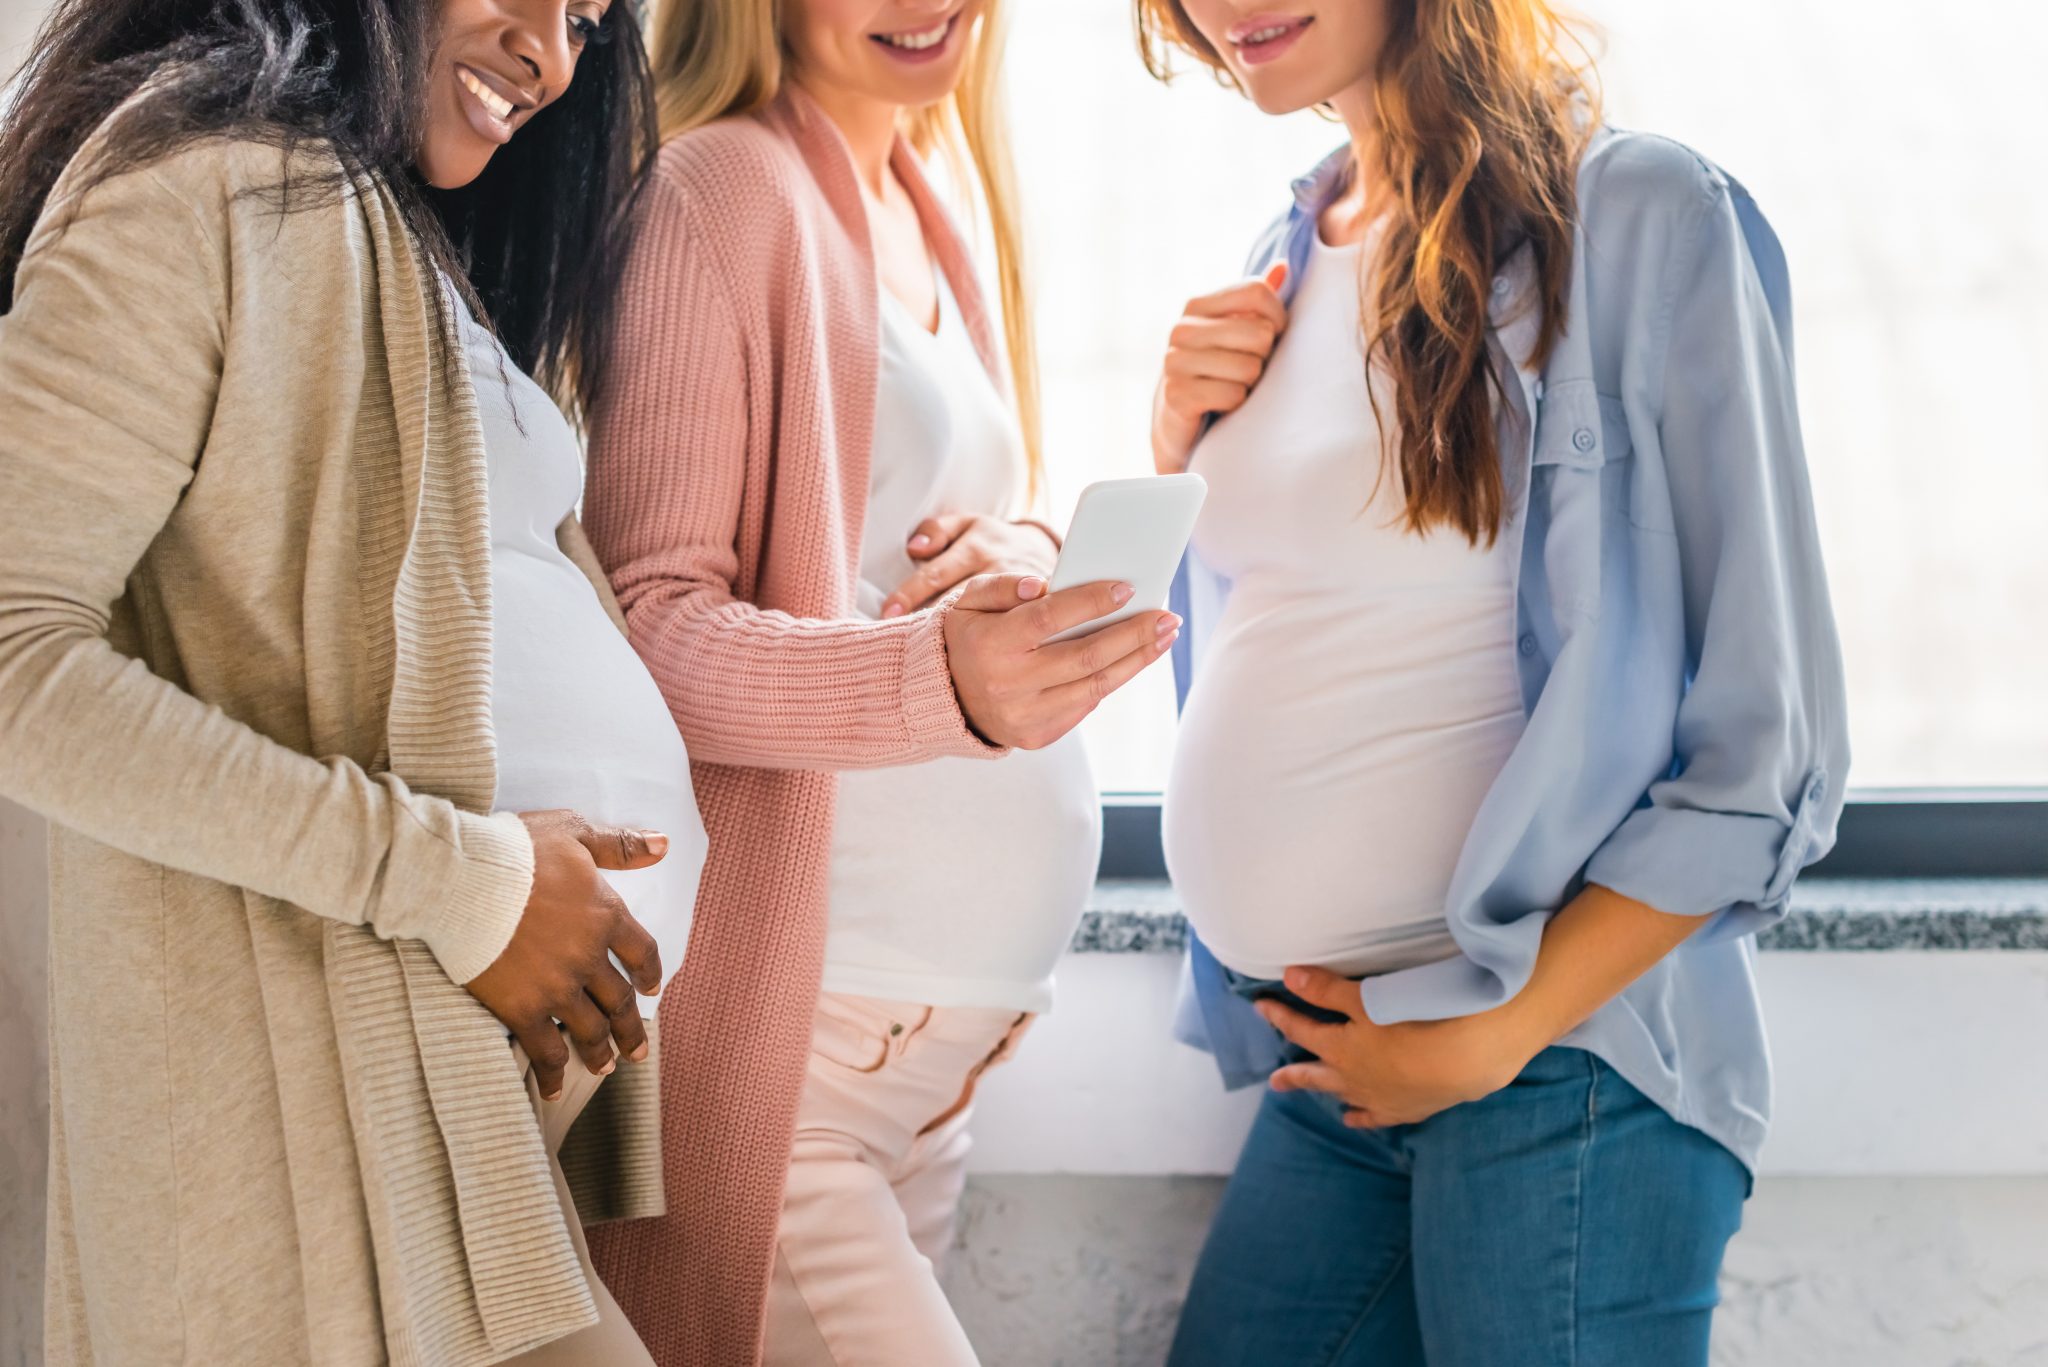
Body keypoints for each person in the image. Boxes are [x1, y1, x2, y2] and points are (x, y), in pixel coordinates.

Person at [1134, 1, 1851, 1362]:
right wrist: (1174, 446)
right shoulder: (1286, 247)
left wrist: (1502, 1029)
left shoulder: (1640, 217)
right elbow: (1302, 629)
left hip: (1559, 1061)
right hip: (1335, 1058)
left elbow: (1769, 743)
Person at [0, 1, 702, 1362]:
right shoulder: (196, 186)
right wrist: (465, 881)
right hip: (313, 1126)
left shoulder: (382, 228)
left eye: (588, 19)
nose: (556, 58)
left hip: (439, 1102)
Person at [578, 2, 1175, 1361]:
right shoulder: (718, 187)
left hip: (915, 1077)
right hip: (797, 1068)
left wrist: (1020, 544)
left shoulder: (922, 192)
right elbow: (648, 627)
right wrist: (942, 686)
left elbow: (896, 547)